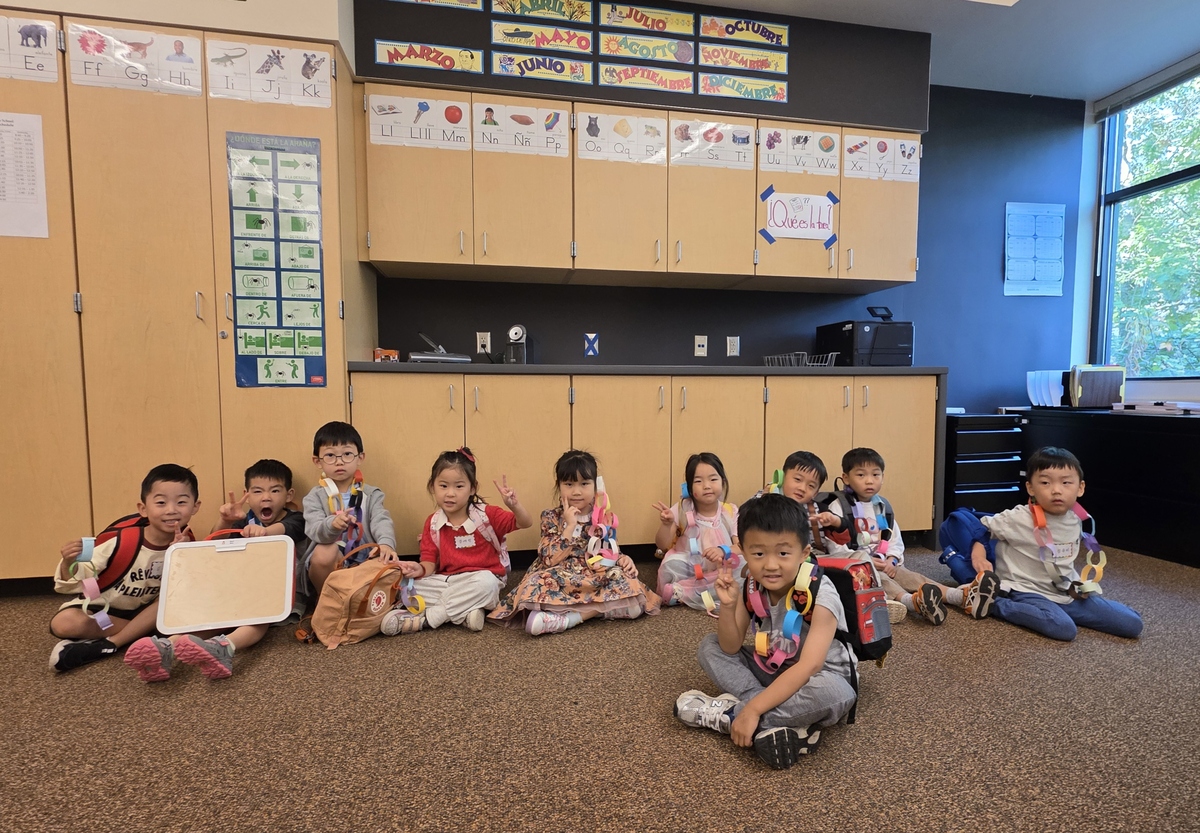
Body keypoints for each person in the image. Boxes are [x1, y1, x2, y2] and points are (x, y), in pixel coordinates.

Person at [674, 493, 856, 769]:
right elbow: (730, 646)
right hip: (773, 667)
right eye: (758, 554)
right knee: (710, 647)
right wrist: (728, 606)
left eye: (783, 553)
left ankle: (733, 716)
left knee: (835, 692)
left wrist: (754, 709)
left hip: (818, 678)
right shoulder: (751, 585)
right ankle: (783, 721)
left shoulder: (821, 594)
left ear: (804, 553)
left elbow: (810, 666)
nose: (770, 565)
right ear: (743, 551)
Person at [120, 459, 310, 682]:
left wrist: (263, 532)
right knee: (215, 614)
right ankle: (167, 647)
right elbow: (214, 545)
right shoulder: (243, 521)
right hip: (241, 587)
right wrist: (225, 520)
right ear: (247, 495)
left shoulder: (297, 518)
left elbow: (286, 529)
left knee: (257, 616)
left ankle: (226, 646)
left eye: (275, 491)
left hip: (279, 594)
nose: (266, 497)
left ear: (288, 495)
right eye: (257, 491)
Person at [969, 446, 1143, 641]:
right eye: (1045, 482)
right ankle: (992, 603)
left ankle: (1054, 611)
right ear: (1030, 488)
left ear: (1080, 488)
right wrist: (978, 556)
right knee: (1064, 629)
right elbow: (983, 528)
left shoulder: (1076, 518)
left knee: (1132, 624)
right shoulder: (1019, 517)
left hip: (1066, 591)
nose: (1057, 490)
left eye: (1066, 482)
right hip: (1026, 590)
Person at [489, 450, 660, 635]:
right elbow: (549, 559)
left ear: (596, 486)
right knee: (536, 583)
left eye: (584, 484)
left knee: (629, 582)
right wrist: (569, 527)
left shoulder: (601, 516)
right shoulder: (551, 517)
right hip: (562, 574)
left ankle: (568, 619)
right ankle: (607, 609)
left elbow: (609, 550)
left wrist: (622, 558)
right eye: (569, 484)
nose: (576, 491)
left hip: (595, 573)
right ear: (559, 486)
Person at [49, 464, 200, 672]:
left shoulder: (187, 544)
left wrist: (180, 556)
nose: (171, 510)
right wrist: (68, 562)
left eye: (181, 502)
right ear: (143, 508)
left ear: (195, 507)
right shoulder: (121, 541)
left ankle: (112, 644)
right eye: (161, 502)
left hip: (148, 612)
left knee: (171, 604)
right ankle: (138, 635)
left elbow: (183, 593)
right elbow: (75, 583)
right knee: (64, 622)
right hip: (104, 612)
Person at [824, 448, 998, 624]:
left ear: (882, 477)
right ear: (846, 478)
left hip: (884, 562)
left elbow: (893, 539)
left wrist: (892, 560)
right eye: (861, 475)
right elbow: (836, 548)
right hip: (858, 567)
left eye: (875, 475)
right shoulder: (839, 507)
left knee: (911, 576)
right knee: (880, 579)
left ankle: (961, 597)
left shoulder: (882, 506)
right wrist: (866, 561)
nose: (869, 481)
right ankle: (912, 602)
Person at [381, 447, 532, 635]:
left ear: (472, 488)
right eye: (443, 486)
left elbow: (525, 523)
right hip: (447, 581)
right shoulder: (433, 522)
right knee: (406, 584)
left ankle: (428, 619)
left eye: (459, 486)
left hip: (480, 578)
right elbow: (429, 563)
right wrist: (417, 569)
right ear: (432, 486)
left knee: (486, 585)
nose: (450, 493)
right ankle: (465, 614)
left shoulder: (486, 515)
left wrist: (514, 506)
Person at [303, 421, 397, 596]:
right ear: (317, 461)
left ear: (360, 457)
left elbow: (381, 520)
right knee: (324, 553)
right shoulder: (314, 497)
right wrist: (332, 524)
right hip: (334, 561)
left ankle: (360, 601)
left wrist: (385, 543)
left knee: (385, 558)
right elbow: (314, 529)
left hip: (366, 556)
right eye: (330, 455)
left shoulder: (372, 494)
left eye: (347, 454)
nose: (339, 462)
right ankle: (329, 600)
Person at [654, 452, 741, 612]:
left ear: (723, 482)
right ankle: (707, 590)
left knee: (745, 566)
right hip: (690, 566)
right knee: (670, 565)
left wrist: (723, 550)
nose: (706, 486)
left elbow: (741, 546)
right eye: (698, 481)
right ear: (689, 486)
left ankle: (683, 592)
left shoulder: (730, 511)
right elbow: (662, 545)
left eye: (713, 479)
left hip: (722, 566)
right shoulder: (682, 509)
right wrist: (667, 524)